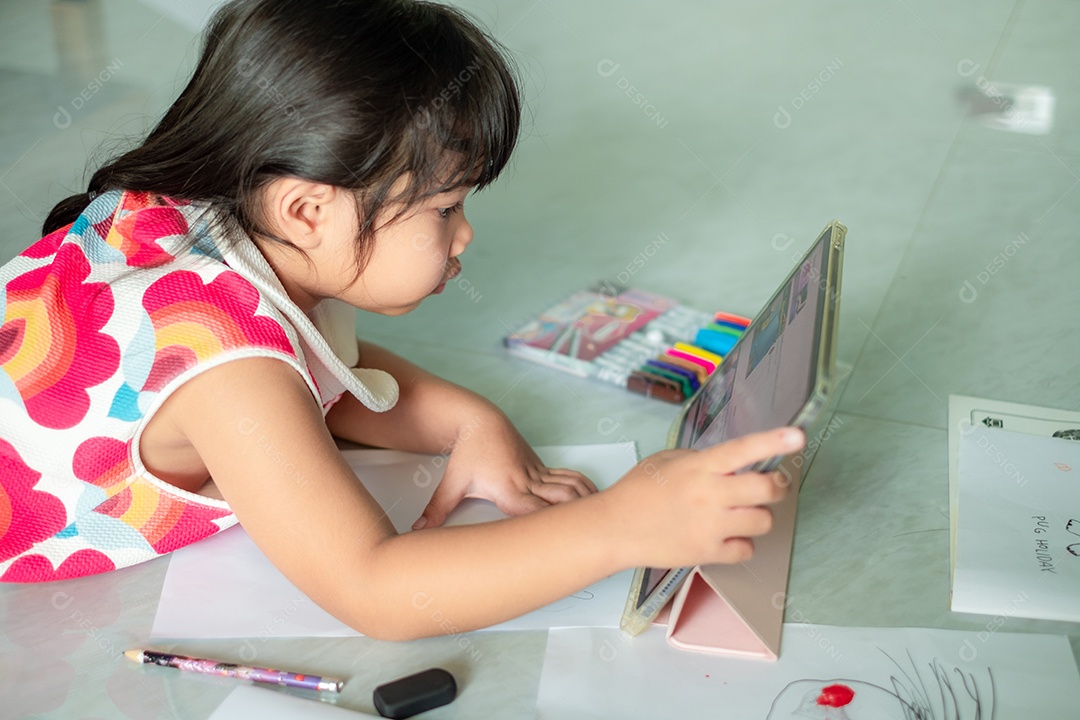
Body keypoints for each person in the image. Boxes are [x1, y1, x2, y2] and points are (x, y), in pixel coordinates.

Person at [0, 0, 803, 639]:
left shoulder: (200, 212)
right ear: (307, 208)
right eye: (447, 207)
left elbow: (310, 369)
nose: (465, 236)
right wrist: (619, 527)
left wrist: (464, 420)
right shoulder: (230, 369)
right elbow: (377, 589)